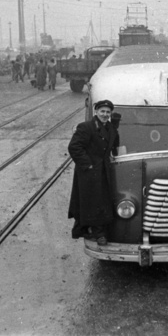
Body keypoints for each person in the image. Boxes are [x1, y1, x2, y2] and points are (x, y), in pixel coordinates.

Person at [68, 100, 120, 246]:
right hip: (89, 172)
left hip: (103, 170)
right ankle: (98, 234)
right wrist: (88, 165)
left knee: (101, 200)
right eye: (102, 111)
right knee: (94, 202)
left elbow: (115, 146)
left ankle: (96, 230)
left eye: (108, 112)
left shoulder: (110, 128)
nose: (105, 114)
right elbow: (74, 147)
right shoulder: (86, 127)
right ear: (96, 112)